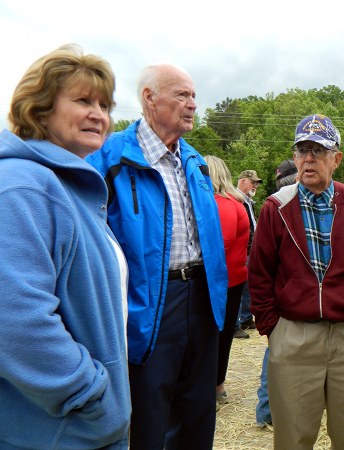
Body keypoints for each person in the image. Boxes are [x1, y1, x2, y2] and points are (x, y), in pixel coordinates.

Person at [86, 64, 228, 450]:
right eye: (182, 95)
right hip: (148, 306)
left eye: (194, 96)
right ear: (149, 97)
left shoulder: (195, 161)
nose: (193, 104)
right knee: (149, 417)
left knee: (198, 411)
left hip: (201, 300)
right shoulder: (110, 158)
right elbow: (87, 242)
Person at [0, 44, 130, 449]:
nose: (100, 114)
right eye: (83, 100)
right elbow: (15, 320)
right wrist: (88, 396)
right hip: (52, 431)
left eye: (105, 104)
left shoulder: (69, 185)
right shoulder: (23, 186)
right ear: (40, 109)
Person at [249, 114, 344, 449]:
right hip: (294, 337)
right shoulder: (276, 208)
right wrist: (273, 328)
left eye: (318, 151)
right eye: (302, 151)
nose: (308, 159)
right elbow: (260, 272)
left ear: (336, 159)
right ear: (294, 158)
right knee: (293, 438)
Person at [255, 158, 298, 427]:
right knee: (276, 357)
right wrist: (269, 321)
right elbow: (261, 266)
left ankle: (267, 412)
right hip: (283, 307)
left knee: (275, 358)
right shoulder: (279, 206)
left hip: (282, 305)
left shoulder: (272, 204)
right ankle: (268, 412)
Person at [204, 155, 250, 405]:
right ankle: (216, 385)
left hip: (222, 282)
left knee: (215, 337)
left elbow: (221, 244)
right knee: (220, 337)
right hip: (231, 280)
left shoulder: (221, 203)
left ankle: (214, 386)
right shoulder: (235, 201)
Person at [234, 169, 263, 338]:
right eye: (253, 183)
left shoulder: (248, 201)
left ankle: (245, 318)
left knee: (247, 285)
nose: (255, 186)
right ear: (243, 181)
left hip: (249, 249)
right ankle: (235, 323)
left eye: (256, 184)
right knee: (238, 286)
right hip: (241, 250)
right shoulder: (237, 200)